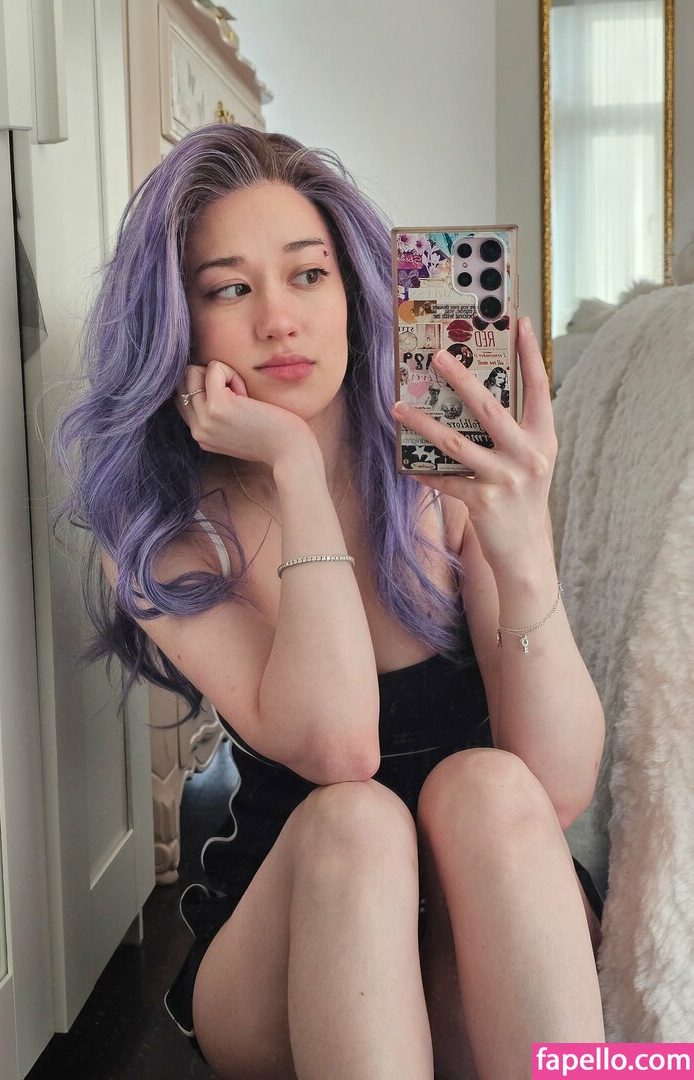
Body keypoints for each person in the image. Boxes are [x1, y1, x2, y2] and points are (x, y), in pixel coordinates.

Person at [55, 124, 606, 1080]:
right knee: (357, 816)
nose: (279, 319)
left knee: (488, 784)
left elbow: (557, 789)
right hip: (300, 929)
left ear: (354, 291)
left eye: (308, 275)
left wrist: (520, 551)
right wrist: (294, 465)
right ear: (177, 326)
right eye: (229, 289)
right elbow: (342, 749)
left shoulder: (447, 474)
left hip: (488, 913)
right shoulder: (160, 533)